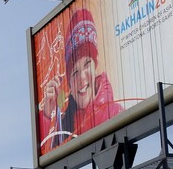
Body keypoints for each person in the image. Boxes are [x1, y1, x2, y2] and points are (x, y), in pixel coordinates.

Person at [38, 8, 122, 150]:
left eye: (87, 64)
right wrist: (46, 114)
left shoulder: (116, 113)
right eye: (75, 72)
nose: (82, 78)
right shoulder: (65, 125)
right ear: (69, 81)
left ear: (96, 65)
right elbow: (42, 155)